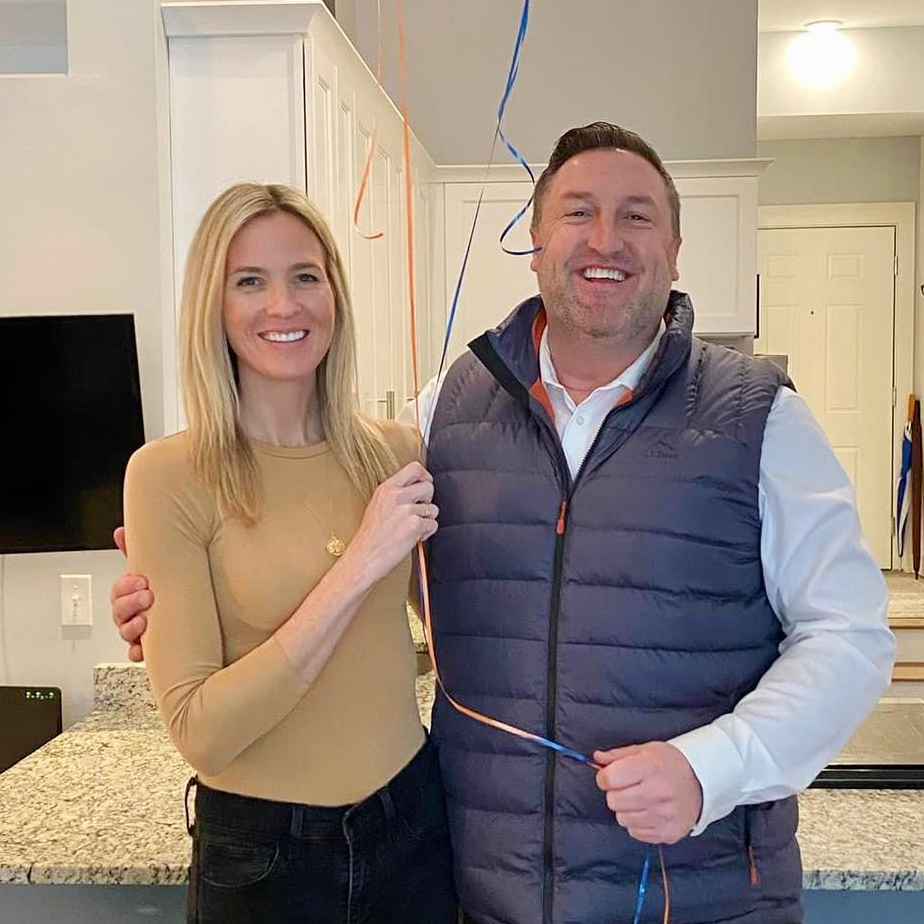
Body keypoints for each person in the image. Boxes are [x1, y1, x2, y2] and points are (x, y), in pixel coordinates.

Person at [114, 125, 895, 924]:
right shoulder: (444, 414)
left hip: (694, 894)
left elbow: (849, 638)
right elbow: (354, 560)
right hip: (488, 894)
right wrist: (176, 596)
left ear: (675, 249)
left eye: (636, 216)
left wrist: (712, 768)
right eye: (577, 212)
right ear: (535, 242)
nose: (604, 239)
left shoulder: (760, 418)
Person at [119, 182, 456, 924]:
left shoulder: (396, 452)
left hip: (412, 828)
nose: (283, 305)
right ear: (213, 305)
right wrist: (361, 561)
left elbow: (463, 633)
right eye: (250, 281)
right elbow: (201, 732)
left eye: (305, 275)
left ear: (334, 292)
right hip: (265, 858)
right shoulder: (168, 476)